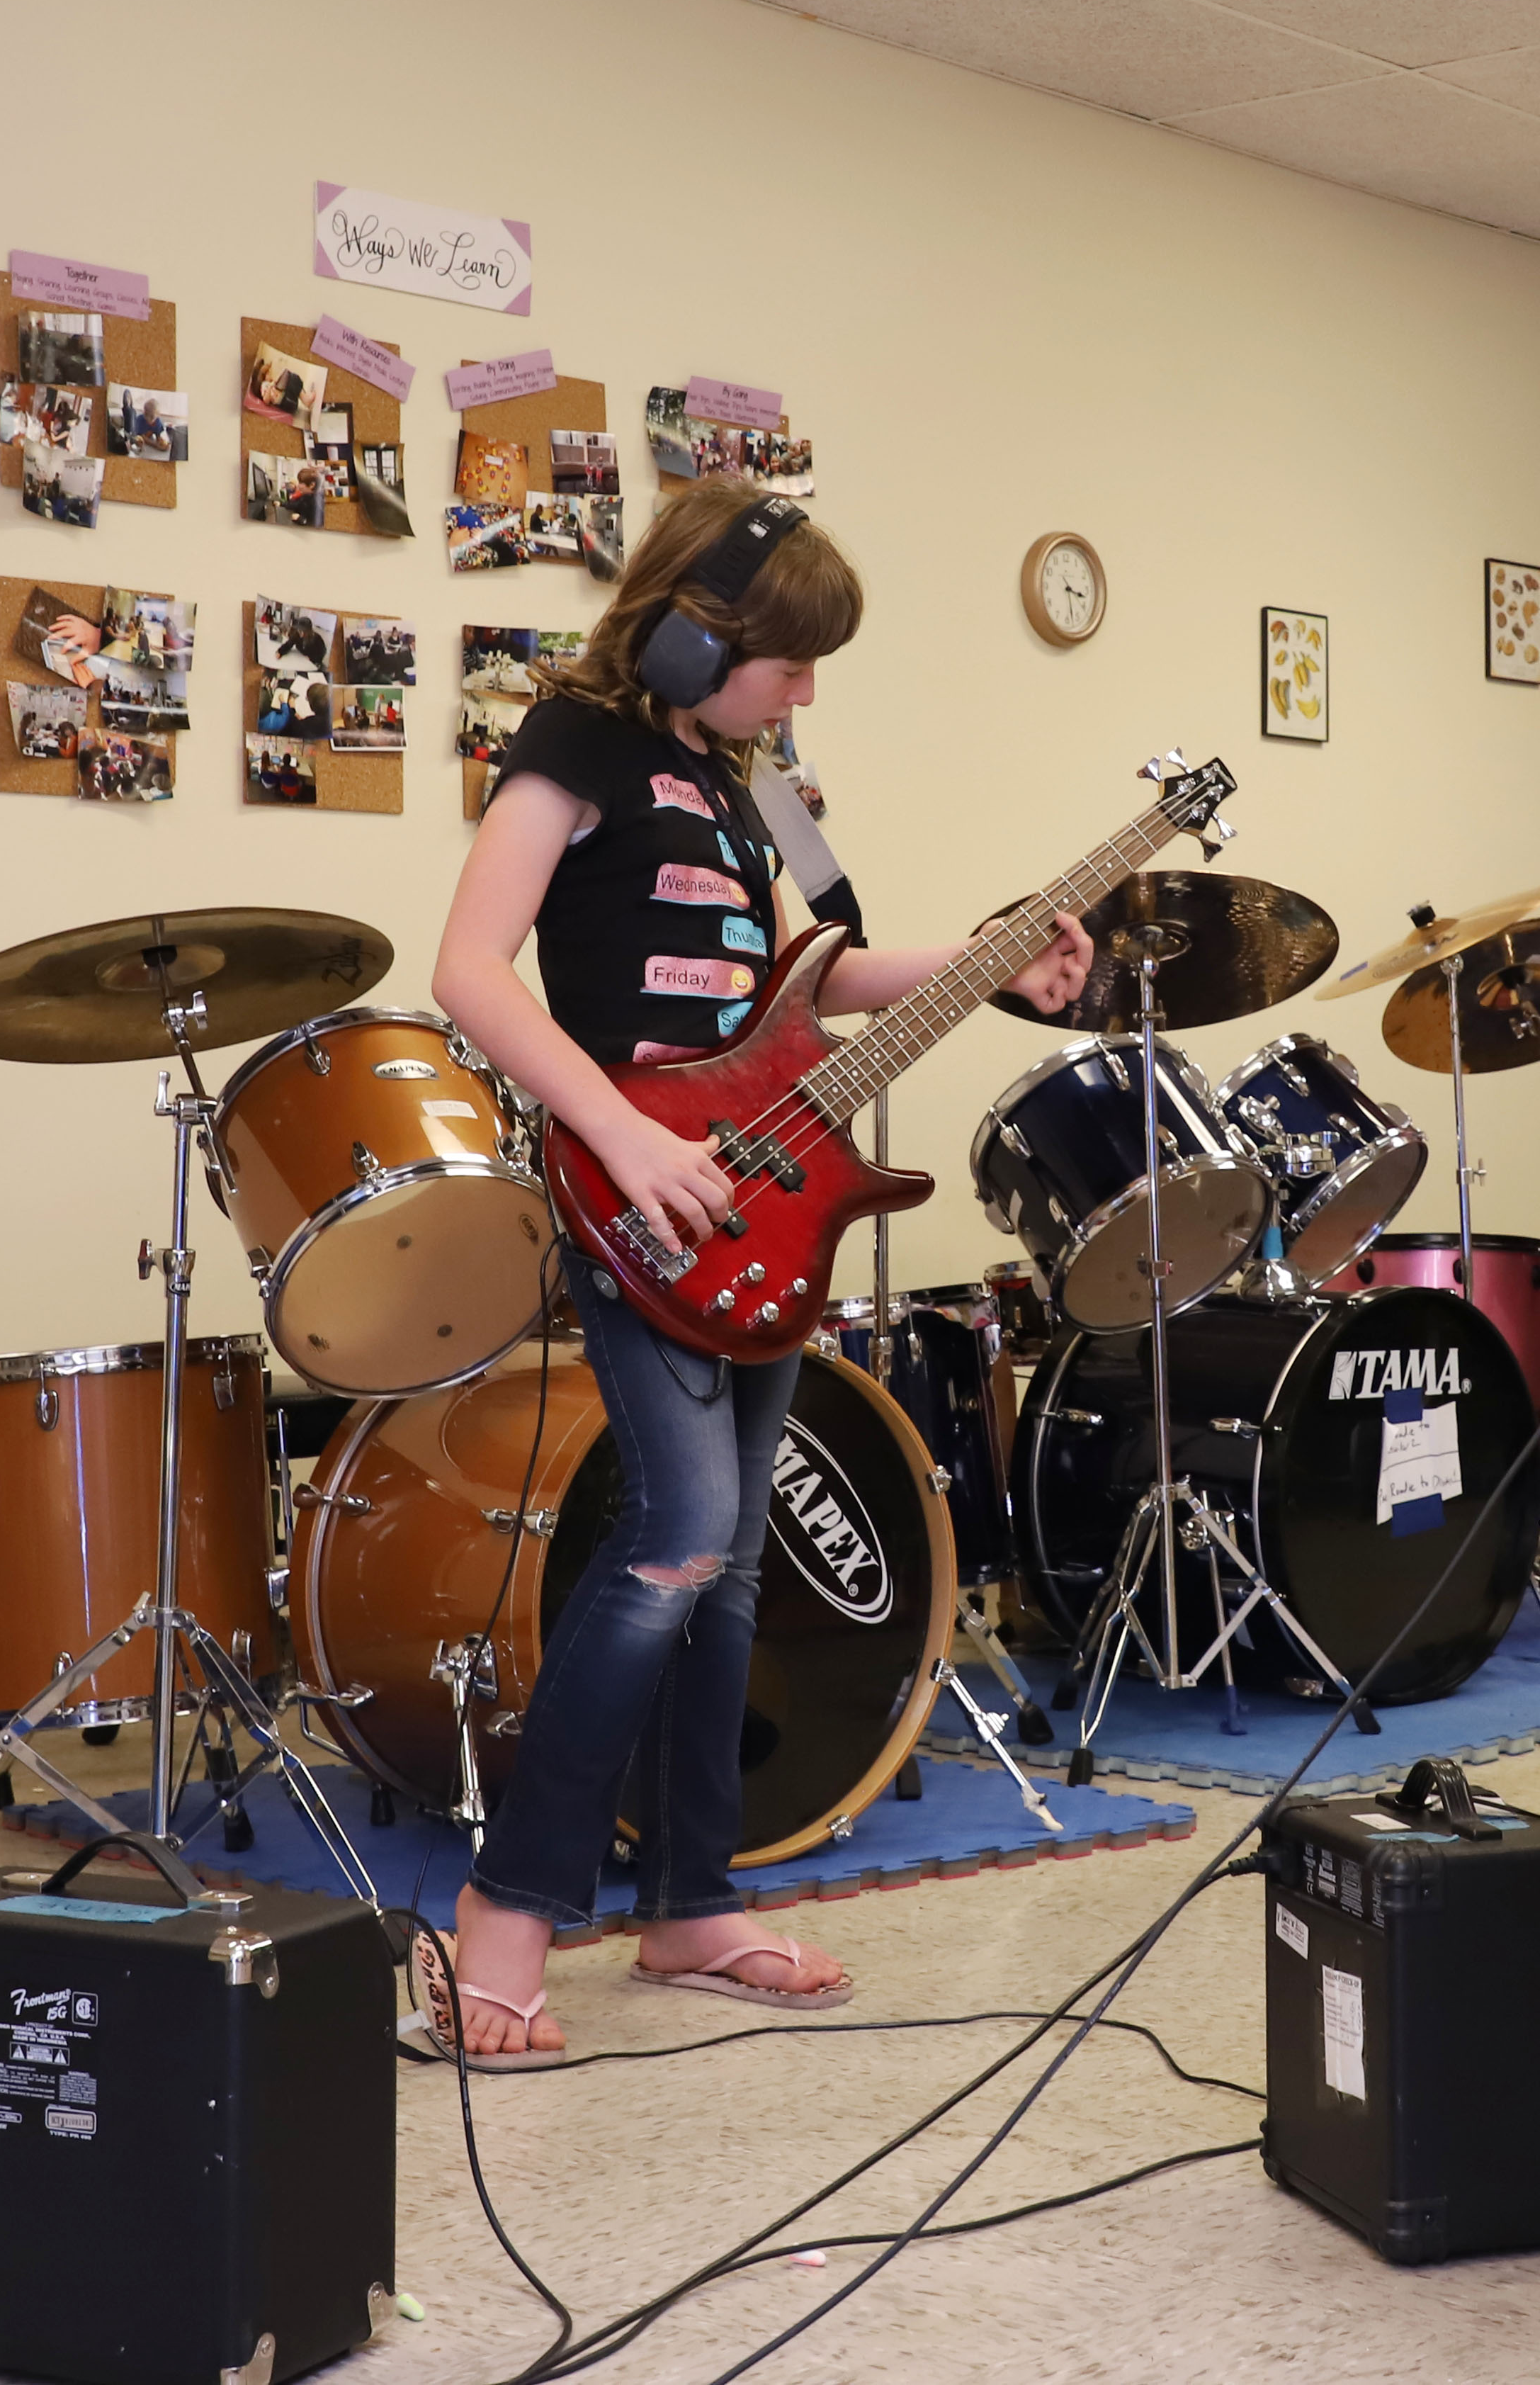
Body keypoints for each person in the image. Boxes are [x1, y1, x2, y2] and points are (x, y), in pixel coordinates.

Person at [426, 477, 1094, 2063]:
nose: (806, 689)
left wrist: (997, 960)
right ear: (679, 637)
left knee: (726, 1567)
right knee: (680, 1536)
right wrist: (629, 1139)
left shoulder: (749, 781)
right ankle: (505, 1915)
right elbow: (467, 970)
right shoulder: (572, 747)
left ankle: (693, 1903)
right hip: (636, 1192)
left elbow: (818, 983)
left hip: (757, 1209)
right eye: (787, 660)